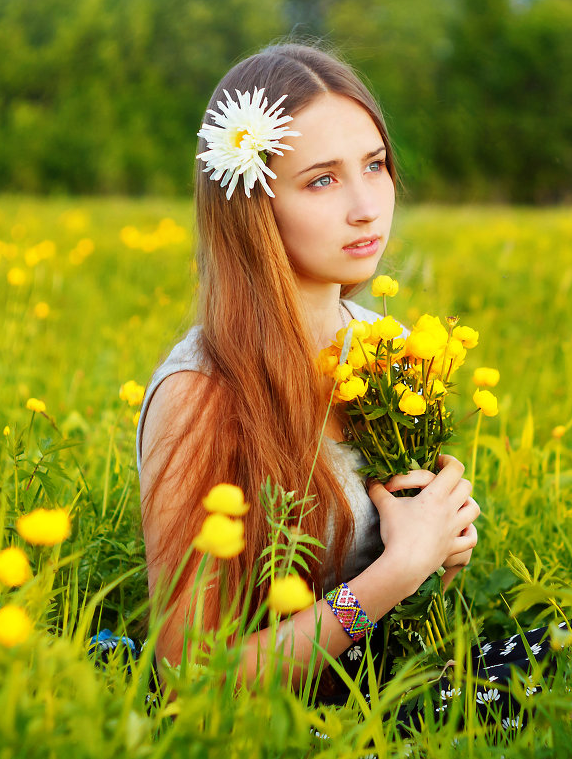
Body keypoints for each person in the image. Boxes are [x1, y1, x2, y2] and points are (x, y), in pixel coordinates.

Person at [135, 42, 490, 706]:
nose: (366, 205)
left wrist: (442, 539)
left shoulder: (389, 349)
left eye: (375, 165)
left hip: (417, 682)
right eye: (322, 179)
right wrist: (396, 573)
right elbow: (189, 676)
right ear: (253, 204)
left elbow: (412, 579)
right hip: (306, 723)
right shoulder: (200, 391)